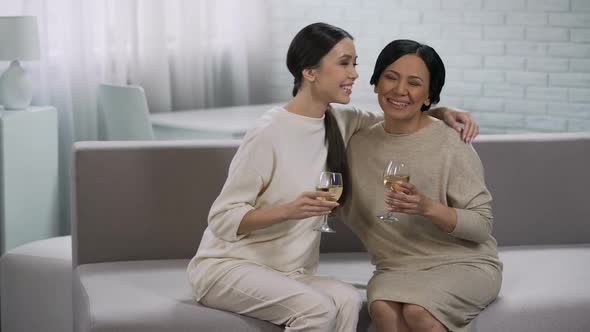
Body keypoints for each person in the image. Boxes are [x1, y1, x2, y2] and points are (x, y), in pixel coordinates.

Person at [187, 23, 478, 332]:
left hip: (288, 271)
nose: (354, 74)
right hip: (229, 267)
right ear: (310, 72)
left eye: (354, 63)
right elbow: (222, 218)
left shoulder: (340, 120)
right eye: (343, 63)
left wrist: (442, 111)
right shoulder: (268, 132)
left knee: (348, 300)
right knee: (317, 310)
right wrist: (289, 210)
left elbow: (397, 113)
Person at [343, 39, 502, 332]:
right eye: (391, 77)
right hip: (396, 266)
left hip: (463, 263)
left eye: (414, 83)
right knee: (383, 310)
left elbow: (482, 226)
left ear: (429, 96)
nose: (400, 90)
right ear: (376, 83)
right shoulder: (358, 142)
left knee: (419, 312)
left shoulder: (451, 142)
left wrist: (428, 207)